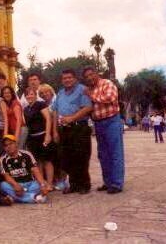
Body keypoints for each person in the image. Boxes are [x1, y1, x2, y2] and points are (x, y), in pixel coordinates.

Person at [83, 66, 124, 194]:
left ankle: (117, 183)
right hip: (98, 123)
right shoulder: (89, 89)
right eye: (87, 76)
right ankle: (107, 182)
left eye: (91, 74)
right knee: (103, 154)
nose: (89, 77)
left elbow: (110, 98)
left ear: (97, 73)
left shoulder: (107, 83)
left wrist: (92, 95)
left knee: (115, 152)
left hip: (112, 120)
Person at [52, 69, 93, 195]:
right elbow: (55, 111)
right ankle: (74, 184)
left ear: (75, 78)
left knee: (81, 157)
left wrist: (71, 118)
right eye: (64, 78)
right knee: (66, 158)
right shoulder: (60, 93)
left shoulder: (82, 90)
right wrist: (54, 131)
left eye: (69, 77)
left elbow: (88, 107)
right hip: (64, 129)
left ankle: (84, 185)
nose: (67, 80)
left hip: (79, 127)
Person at [0, 135, 50, 204]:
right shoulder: (3, 159)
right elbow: (6, 176)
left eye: (11, 143)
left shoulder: (27, 154)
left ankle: (14, 198)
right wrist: (16, 185)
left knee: (38, 184)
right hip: (15, 185)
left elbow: (36, 171)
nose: (8, 146)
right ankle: (35, 197)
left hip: (30, 183)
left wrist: (43, 185)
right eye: (6, 145)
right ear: (4, 148)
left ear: (16, 144)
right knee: (3, 185)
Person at [23, 87, 54, 190]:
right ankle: (42, 183)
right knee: (38, 161)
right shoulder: (26, 109)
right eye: (27, 94)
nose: (29, 96)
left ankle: (49, 184)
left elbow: (48, 118)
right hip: (32, 138)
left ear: (35, 95)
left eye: (31, 94)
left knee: (47, 160)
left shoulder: (40, 104)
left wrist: (48, 134)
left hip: (43, 135)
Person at [39, 84, 68, 191]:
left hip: (58, 129)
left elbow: (56, 116)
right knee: (53, 157)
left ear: (51, 91)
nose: (44, 94)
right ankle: (56, 179)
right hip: (50, 131)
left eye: (46, 92)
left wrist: (55, 132)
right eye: (41, 93)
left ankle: (62, 179)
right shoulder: (43, 104)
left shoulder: (56, 101)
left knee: (60, 155)